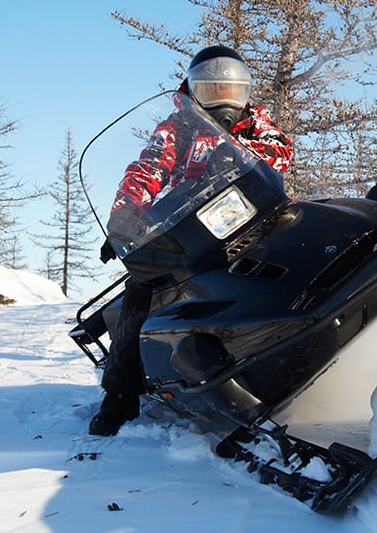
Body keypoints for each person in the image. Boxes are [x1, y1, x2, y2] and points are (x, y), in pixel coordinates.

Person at [89, 45, 294, 436]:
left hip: (254, 212)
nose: (222, 101)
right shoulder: (177, 128)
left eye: (229, 91)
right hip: (191, 226)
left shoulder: (256, 124)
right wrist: (123, 216)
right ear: (193, 91)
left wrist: (241, 153)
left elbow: (280, 150)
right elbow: (147, 168)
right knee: (142, 293)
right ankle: (118, 395)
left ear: (244, 92)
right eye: (212, 90)